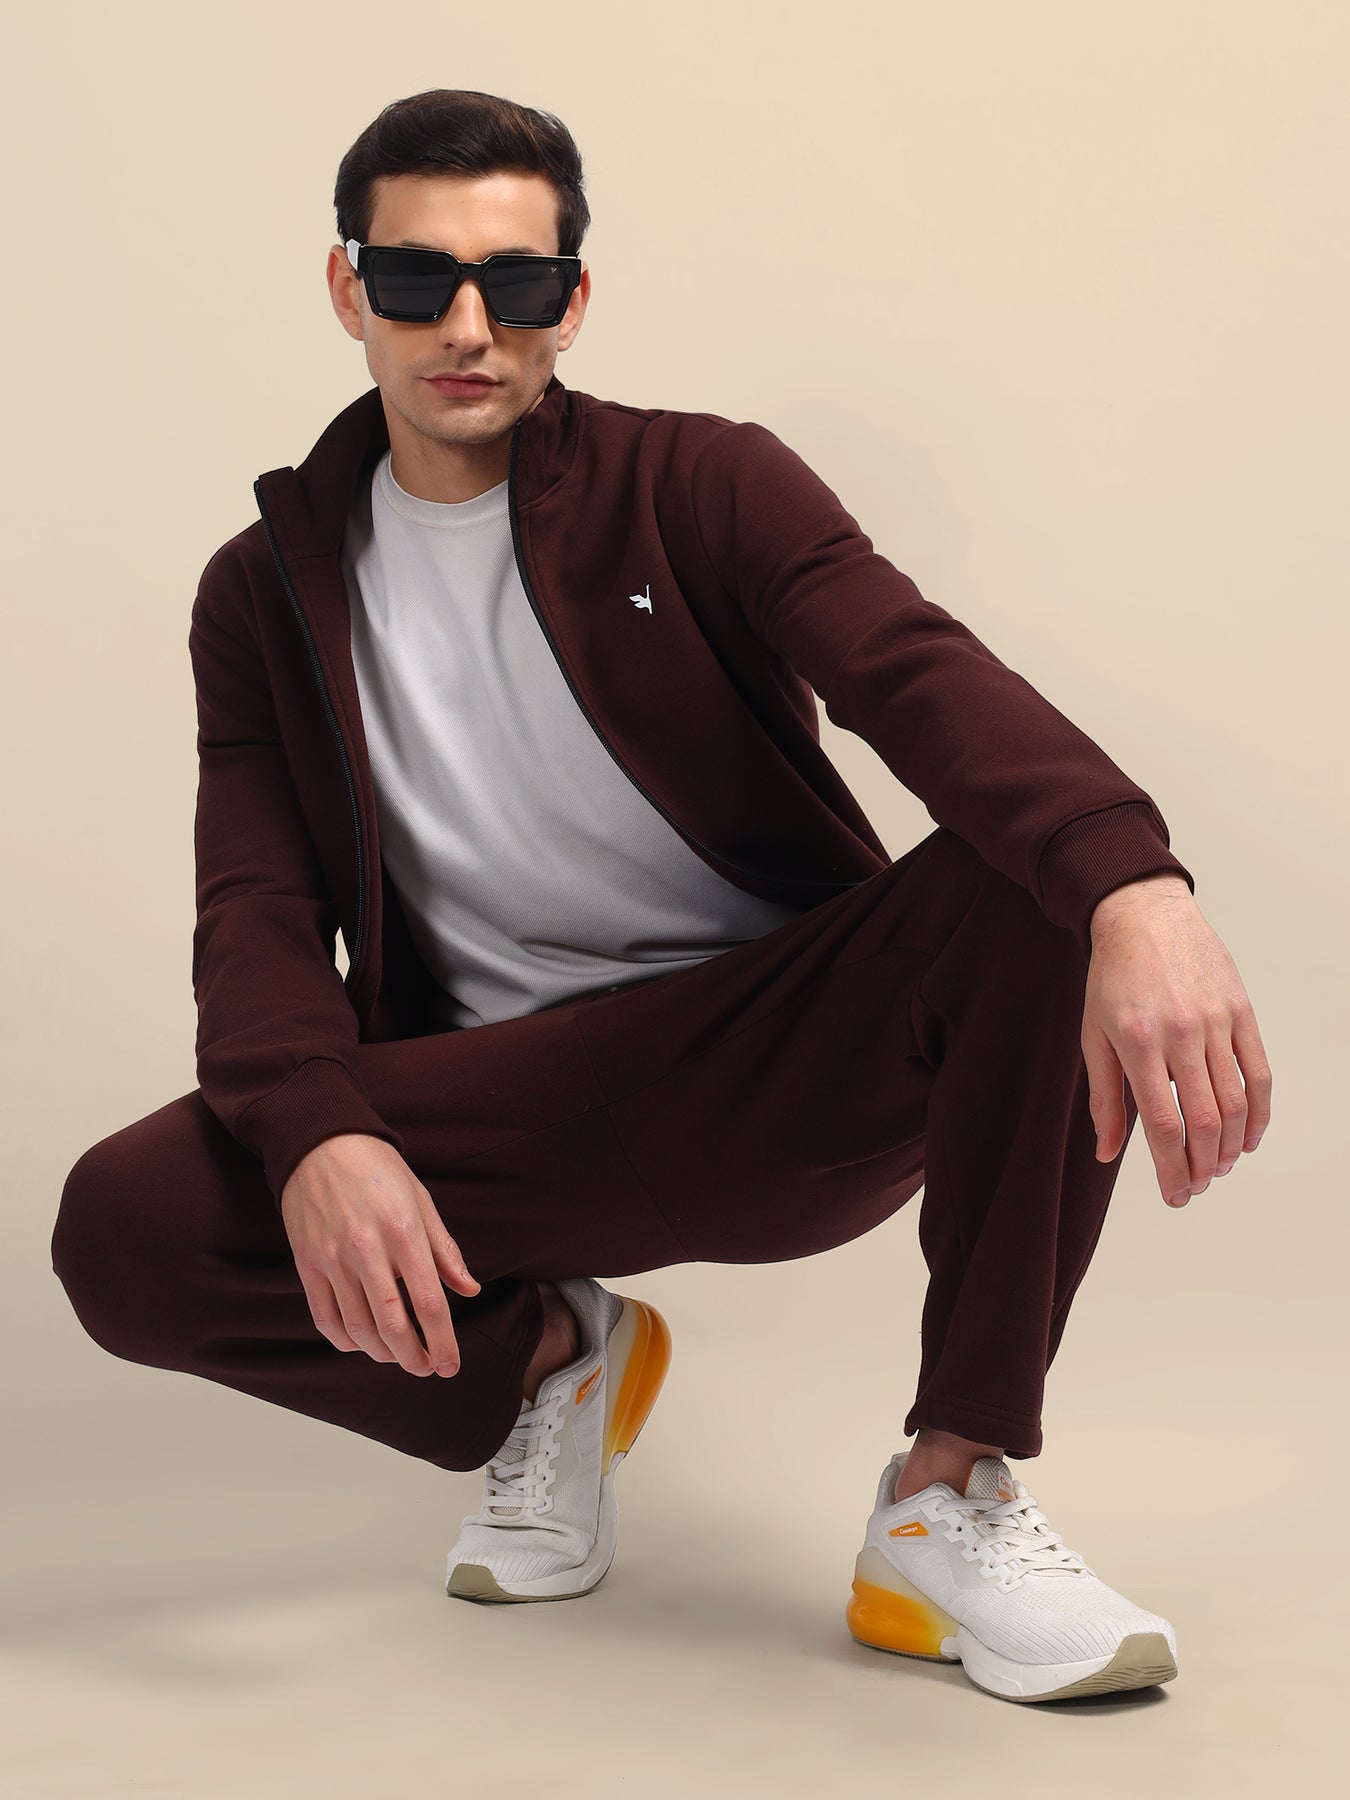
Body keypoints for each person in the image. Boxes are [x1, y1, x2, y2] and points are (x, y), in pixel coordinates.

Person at [50, 88, 1271, 1704]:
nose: (466, 327)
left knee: (1036, 880)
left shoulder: (702, 484)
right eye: (415, 280)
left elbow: (916, 676)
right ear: (348, 290)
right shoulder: (264, 588)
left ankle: (947, 1491)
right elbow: (256, 909)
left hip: (776, 1062)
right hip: (494, 1103)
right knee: (126, 1224)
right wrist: (320, 1132)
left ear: (573, 300)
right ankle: (549, 1363)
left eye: (517, 282)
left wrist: (1133, 883)